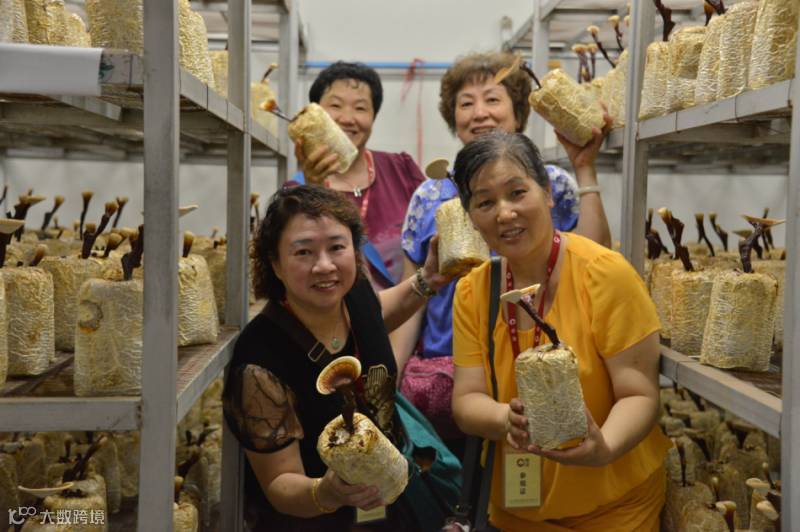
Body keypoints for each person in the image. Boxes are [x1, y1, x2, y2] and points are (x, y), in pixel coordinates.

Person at [450, 131, 671, 531]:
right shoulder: (473, 291)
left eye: (517, 193)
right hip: (517, 512)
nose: (504, 213)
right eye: (485, 202)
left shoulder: (604, 274)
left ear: (548, 193)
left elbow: (639, 393)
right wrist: (505, 419)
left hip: (614, 511)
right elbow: (467, 400)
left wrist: (604, 447)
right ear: (471, 218)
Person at [393, 51, 611, 443]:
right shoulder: (429, 195)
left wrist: (584, 169)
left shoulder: (550, 184)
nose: (480, 113)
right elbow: (414, 295)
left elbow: (595, 260)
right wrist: (389, 378)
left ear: (518, 111)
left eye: (492, 99)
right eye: (466, 103)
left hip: (538, 363)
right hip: (446, 372)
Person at [222, 185, 452, 531]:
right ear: (275, 264)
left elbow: (377, 316)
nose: (324, 265)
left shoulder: (354, 295)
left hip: (390, 510)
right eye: (304, 252)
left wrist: (427, 280)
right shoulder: (260, 361)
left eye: (336, 247)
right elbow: (279, 483)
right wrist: (327, 492)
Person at [292, 61, 425, 290]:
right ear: (315, 112)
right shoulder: (295, 192)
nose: (347, 118)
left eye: (360, 108)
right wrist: (314, 188)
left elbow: (429, 238)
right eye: (335, 105)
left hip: (409, 306)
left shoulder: (401, 169)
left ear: (374, 116)